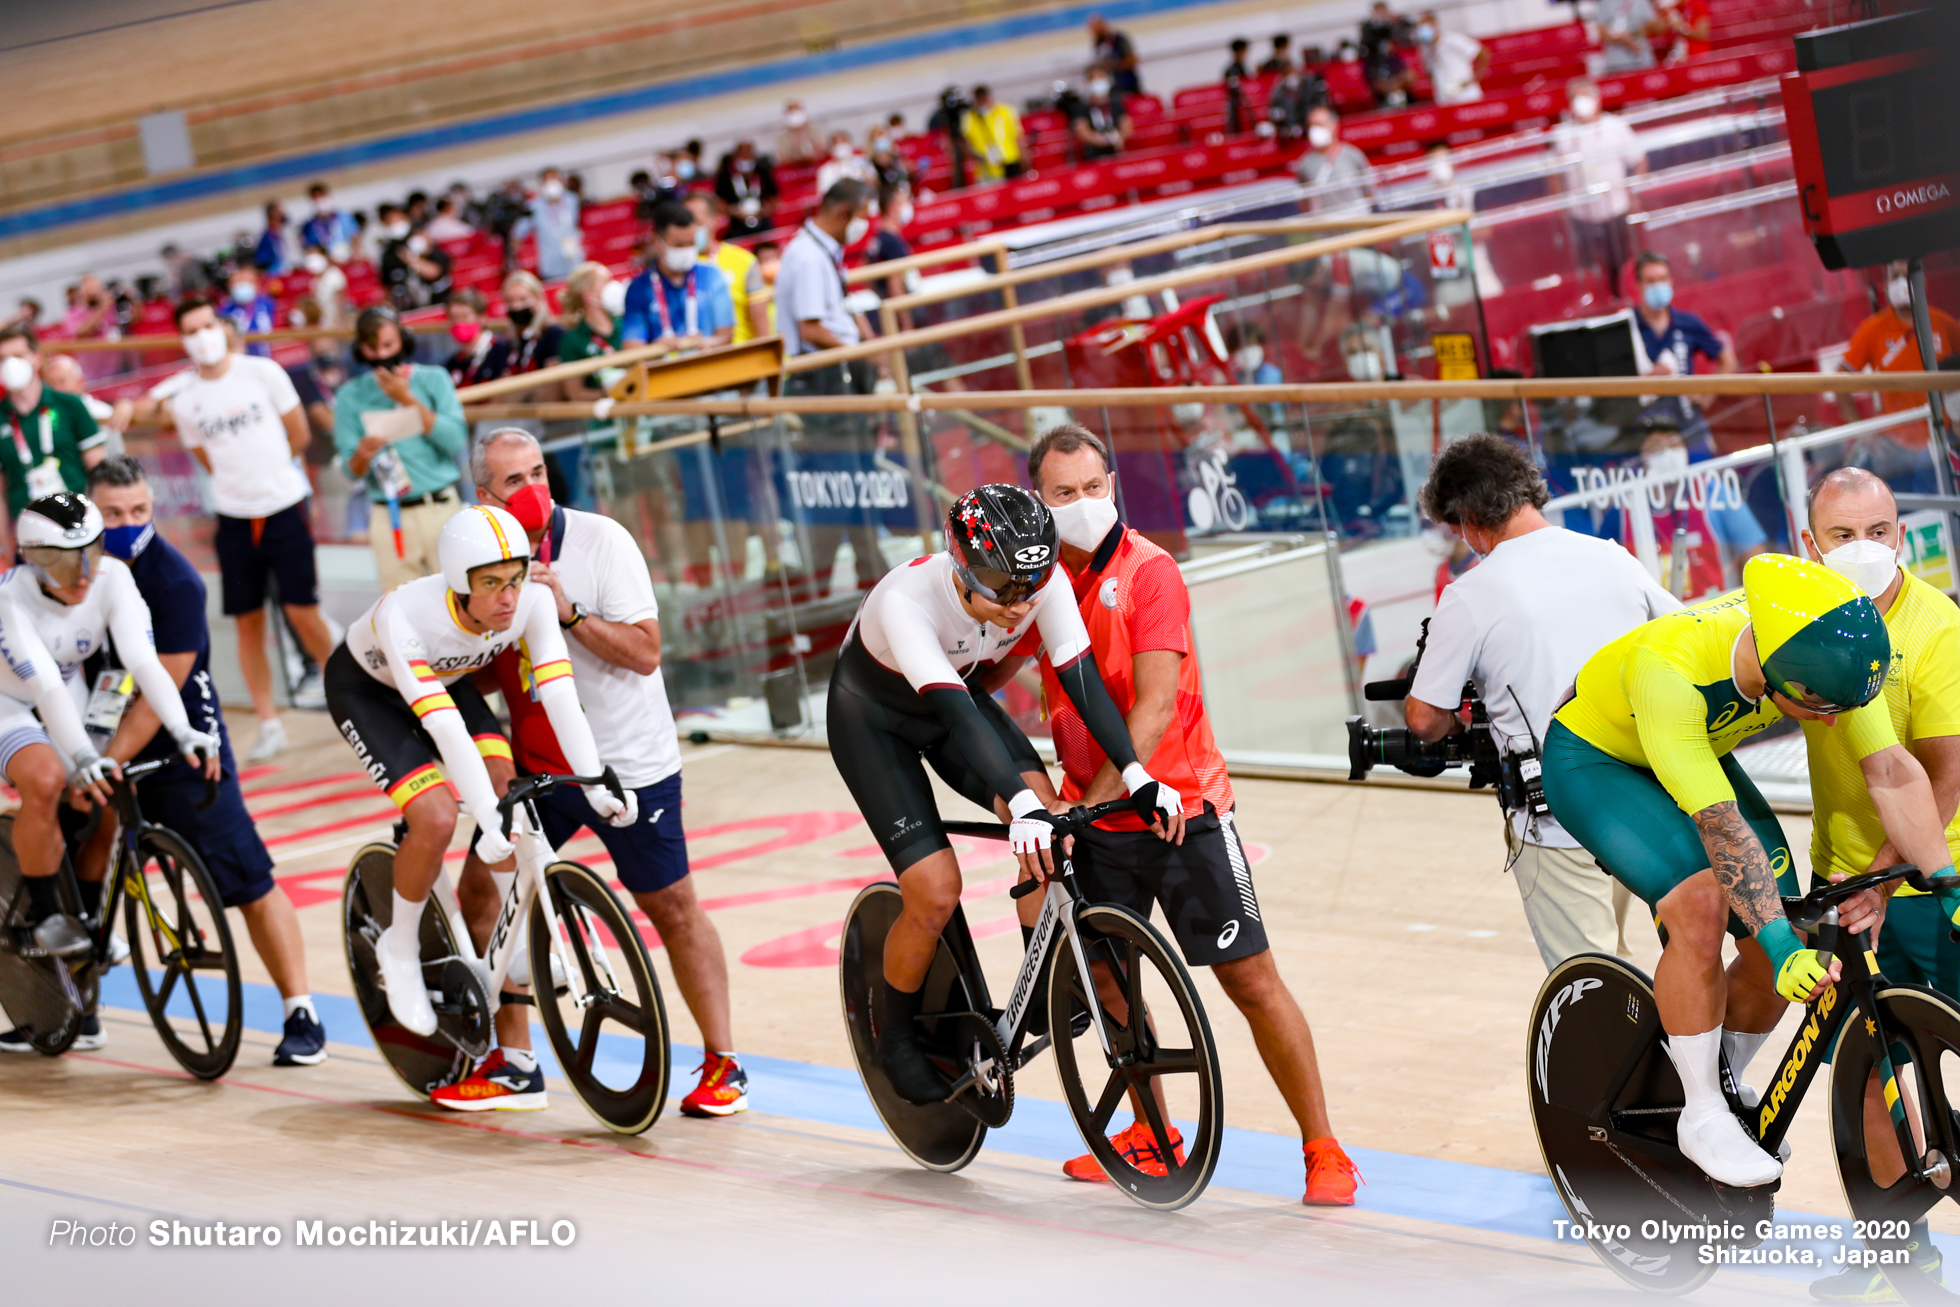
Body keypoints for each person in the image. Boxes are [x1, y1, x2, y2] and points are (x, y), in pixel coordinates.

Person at [996, 425, 1362, 1205]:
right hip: (1098, 819)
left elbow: (1155, 706)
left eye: (1095, 487)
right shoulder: (1035, 581)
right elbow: (985, 664)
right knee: (1112, 983)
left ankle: (1325, 1149)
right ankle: (1154, 1135)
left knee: (1252, 979)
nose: (1085, 504)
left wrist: (1082, 805)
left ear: (1113, 484)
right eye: (1064, 494)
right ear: (1040, 501)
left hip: (1181, 808)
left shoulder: (1151, 571)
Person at [1544, 553, 1954, 1188]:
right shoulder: (1673, 672)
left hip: (1693, 751)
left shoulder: (1821, 655)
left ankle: (1717, 1075)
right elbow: (1724, 830)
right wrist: (1779, 945)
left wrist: (1948, 883)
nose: (1829, 721)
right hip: (1600, 763)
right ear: (1774, 673)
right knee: (1707, 906)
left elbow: (1893, 772)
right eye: (1816, 707)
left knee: (1792, 927)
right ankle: (1702, 1116)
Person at [826, 483, 1181, 1104]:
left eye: (1030, 588)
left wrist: (1136, 774)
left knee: (1050, 826)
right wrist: (1017, 807)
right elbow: (957, 716)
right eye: (1004, 592)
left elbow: (1083, 680)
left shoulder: (1035, 580)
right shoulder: (906, 602)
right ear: (961, 566)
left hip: (954, 700)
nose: (1020, 607)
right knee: (936, 891)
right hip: (875, 721)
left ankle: (1039, 983)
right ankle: (896, 1037)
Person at [470, 428, 747, 1115]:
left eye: (538, 470)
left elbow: (647, 652)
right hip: (540, 764)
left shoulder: (602, 541)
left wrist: (571, 613)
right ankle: (516, 1060)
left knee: (671, 905)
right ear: (484, 496)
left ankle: (724, 1063)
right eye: (513, 479)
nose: (532, 487)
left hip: (626, 762)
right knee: (485, 891)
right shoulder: (477, 554)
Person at [324, 505, 633, 1107]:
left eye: (515, 577)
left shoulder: (534, 601)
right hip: (371, 693)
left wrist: (594, 781)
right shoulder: (406, 615)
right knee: (438, 816)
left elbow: (561, 696)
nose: (508, 597)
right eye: (491, 584)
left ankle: (510, 939)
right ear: (459, 585)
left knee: (507, 784)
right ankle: (400, 946)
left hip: (445, 678)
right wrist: (485, 815)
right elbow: (445, 734)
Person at [49, 458, 327, 1065]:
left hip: (180, 737)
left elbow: (157, 698)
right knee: (81, 851)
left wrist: (104, 763)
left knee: (247, 875)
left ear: (154, 509)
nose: (127, 524)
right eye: (114, 514)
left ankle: (300, 1012)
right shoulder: (66, 569)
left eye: (140, 512)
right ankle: (76, 1002)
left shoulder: (174, 582)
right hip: (97, 725)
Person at [1404, 433, 1678, 968]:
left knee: (1589, 985)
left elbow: (1423, 718)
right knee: (1632, 965)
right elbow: (1679, 637)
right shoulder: (1612, 557)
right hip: (1644, 796)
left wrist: (1456, 728)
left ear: (1468, 517)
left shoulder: (1471, 593)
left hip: (1555, 817)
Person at [1795, 468, 1959, 1299]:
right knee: (1869, 1068)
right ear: (1808, 542)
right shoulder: (1804, 618)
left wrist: (1888, 878)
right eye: (1842, 535)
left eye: (1880, 530)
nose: (1864, 549)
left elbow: (1947, 775)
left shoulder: (1937, 627)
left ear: (1902, 533)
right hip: (1848, 879)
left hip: (1934, 877)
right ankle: (1901, 1250)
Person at [0, 494, 219, 1047]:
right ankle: (50, 914)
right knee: (50, 779)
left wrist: (183, 728)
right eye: (63, 561)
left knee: (105, 796)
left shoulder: (114, 578)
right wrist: (81, 760)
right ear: (31, 558)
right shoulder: (11, 599)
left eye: (90, 553)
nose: (82, 573)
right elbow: (43, 689)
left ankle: (88, 926)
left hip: (70, 689)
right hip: (11, 699)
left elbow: (144, 662)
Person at [168, 299, 336, 762]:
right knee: (248, 622)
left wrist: (274, 475)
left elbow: (298, 434)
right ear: (183, 339)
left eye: (207, 325)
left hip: (283, 505)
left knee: (304, 613)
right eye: (192, 329)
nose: (202, 335)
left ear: (221, 328)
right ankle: (268, 721)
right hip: (232, 517)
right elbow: (205, 457)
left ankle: (348, 698)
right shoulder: (186, 402)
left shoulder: (263, 373)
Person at [333, 306, 468, 591]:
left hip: (439, 507)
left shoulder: (433, 379)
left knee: (459, 598)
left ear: (402, 342)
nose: (382, 355)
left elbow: (455, 439)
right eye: (373, 348)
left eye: (388, 345)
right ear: (361, 350)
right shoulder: (350, 395)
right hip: (388, 514)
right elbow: (350, 469)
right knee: (401, 609)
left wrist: (406, 399)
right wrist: (362, 454)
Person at [1838, 260, 1959, 493]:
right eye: (1895, 277)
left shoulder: (1944, 324)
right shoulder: (1872, 330)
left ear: (1922, 282)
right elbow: (1840, 381)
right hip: (1894, 445)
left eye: (1907, 275)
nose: (1902, 282)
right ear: (1886, 285)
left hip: (1942, 439)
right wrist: (1861, 431)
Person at [1630, 417, 1766, 599]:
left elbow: (1757, 559)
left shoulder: (1714, 493)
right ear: (1641, 456)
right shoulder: (1626, 509)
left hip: (1720, 613)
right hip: (1661, 621)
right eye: (1656, 446)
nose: (1667, 453)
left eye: (1673, 443)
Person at [1550, 80, 1646, 299]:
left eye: (1584, 96)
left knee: (1620, 261)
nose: (1581, 103)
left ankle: (1622, 297)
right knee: (1588, 265)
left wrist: (1635, 192)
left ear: (1597, 99)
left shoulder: (1615, 126)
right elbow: (1554, 175)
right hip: (1580, 214)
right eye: (1575, 98)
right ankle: (1596, 300)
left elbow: (1639, 160)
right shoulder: (1562, 134)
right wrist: (1561, 207)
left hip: (1616, 208)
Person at [0, 324, 108, 518]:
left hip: (79, 518)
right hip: (28, 529)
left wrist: (101, 522)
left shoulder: (70, 404)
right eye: (2, 359)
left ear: (36, 359)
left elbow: (99, 471)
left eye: (18, 355)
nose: (10, 364)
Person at [1632, 250, 1738, 442]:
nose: (1658, 285)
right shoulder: (1628, 325)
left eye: (1662, 279)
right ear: (1639, 285)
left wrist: (1708, 393)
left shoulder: (1688, 322)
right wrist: (1646, 380)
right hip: (1644, 428)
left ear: (1671, 281)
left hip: (1688, 422)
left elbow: (1727, 359)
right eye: (1650, 281)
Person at [776, 180, 873, 368]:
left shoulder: (824, 250)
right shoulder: (808, 256)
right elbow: (810, 331)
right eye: (863, 217)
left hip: (837, 360)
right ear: (844, 213)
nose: (865, 225)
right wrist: (859, 356)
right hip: (822, 370)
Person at [620, 202, 735, 356]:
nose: (687, 250)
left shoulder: (712, 275)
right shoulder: (638, 289)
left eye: (691, 243)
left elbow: (726, 337)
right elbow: (631, 348)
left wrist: (700, 343)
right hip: (664, 374)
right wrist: (656, 348)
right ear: (657, 243)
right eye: (679, 245)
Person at [684, 193, 762, 347]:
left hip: (740, 359)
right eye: (686, 222)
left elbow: (761, 329)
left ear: (715, 220)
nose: (691, 229)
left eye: (697, 222)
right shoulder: (674, 268)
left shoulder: (744, 261)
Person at [556, 261, 624, 392]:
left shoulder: (628, 323)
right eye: (606, 281)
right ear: (589, 295)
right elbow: (576, 393)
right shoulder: (571, 341)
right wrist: (610, 394)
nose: (614, 285)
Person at [1297, 107, 1374, 214]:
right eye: (1311, 125)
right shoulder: (1305, 164)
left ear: (1333, 125)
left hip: (1358, 221)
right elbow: (1304, 202)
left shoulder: (1353, 155)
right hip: (1327, 227)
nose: (1315, 130)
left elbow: (1369, 192)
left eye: (1319, 124)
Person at [377, 205, 452, 310]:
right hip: (409, 308)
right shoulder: (389, 254)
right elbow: (387, 286)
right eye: (390, 221)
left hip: (437, 303)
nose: (395, 224)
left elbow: (434, 272)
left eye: (398, 219)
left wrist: (410, 258)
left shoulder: (422, 241)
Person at [522, 168, 584, 282]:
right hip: (551, 266)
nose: (552, 183)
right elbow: (519, 231)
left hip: (575, 262)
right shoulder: (534, 206)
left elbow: (575, 225)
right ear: (541, 184)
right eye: (548, 180)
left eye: (555, 179)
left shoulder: (572, 200)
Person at [1414, 10, 1487, 105]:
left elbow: (1483, 54)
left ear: (1434, 24)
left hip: (1466, 97)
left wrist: (1474, 79)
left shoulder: (1453, 40)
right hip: (1444, 100)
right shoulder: (1424, 50)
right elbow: (1429, 73)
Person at [443, 288, 511, 389]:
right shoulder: (452, 363)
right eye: (453, 318)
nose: (458, 323)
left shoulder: (503, 352)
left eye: (464, 317)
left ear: (482, 318)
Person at [714, 141, 778, 239]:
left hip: (762, 221)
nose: (745, 156)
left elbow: (774, 196)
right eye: (742, 153)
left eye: (748, 152)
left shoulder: (762, 171)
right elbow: (719, 201)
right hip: (738, 224)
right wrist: (733, 211)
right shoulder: (725, 175)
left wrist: (766, 210)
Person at [963, 85, 1027, 183]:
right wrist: (980, 158)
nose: (983, 103)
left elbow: (1017, 136)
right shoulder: (970, 118)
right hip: (988, 168)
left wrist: (1024, 158)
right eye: (979, 100)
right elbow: (966, 144)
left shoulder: (1005, 111)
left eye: (984, 99)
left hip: (1011, 161)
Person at [1070, 68, 1131, 161]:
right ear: (1087, 83)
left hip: (1117, 150)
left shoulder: (1117, 103)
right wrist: (1103, 140)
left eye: (1101, 77)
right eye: (1093, 78)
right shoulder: (1081, 107)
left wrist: (1118, 138)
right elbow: (1082, 131)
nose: (1097, 81)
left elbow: (1127, 125)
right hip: (1093, 155)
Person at [1597, 0, 1661, 72]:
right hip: (1617, 62)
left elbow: (1653, 25)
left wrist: (1634, 34)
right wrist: (1621, 39)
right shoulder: (1605, 2)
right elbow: (1601, 30)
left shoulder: (1641, 1)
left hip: (1642, 58)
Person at [301, 182, 357, 263]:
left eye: (322, 196)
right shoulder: (310, 225)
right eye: (316, 198)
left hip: (349, 259)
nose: (319, 201)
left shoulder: (344, 216)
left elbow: (354, 235)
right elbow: (311, 247)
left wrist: (355, 252)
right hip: (328, 263)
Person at [1088, 14, 1141, 94]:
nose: (1096, 30)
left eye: (1097, 26)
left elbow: (1132, 60)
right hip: (1112, 88)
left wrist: (1113, 66)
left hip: (1127, 83)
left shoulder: (1119, 40)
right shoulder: (1097, 45)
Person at [816, 132, 876, 196]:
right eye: (837, 144)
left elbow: (874, 183)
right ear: (831, 148)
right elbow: (824, 194)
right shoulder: (825, 170)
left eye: (843, 142)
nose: (841, 146)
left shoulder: (862, 160)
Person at [254, 201, 291, 276]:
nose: (282, 215)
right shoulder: (267, 238)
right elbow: (262, 263)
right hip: (278, 275)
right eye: (279, 212)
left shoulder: (286, 232)